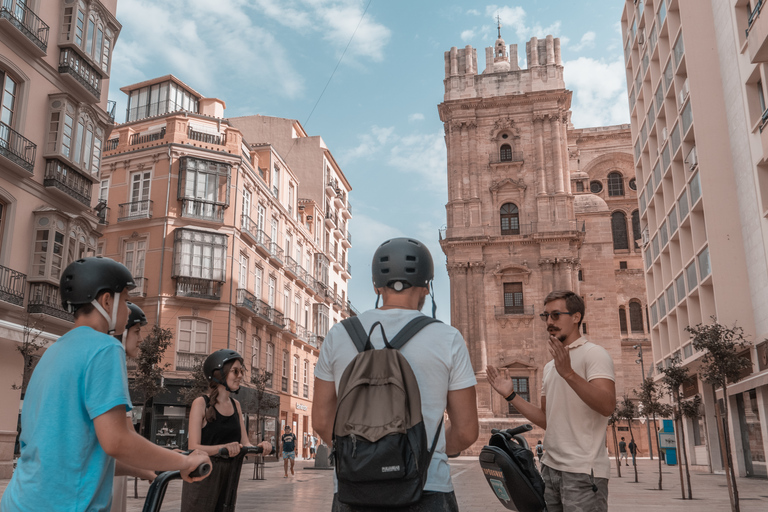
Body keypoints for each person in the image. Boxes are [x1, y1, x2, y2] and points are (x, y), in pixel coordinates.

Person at [1, 257, 210, 512]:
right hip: (67, 504)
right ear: (107, 301)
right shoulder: (105, 347)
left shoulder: (54, 350)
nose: (127, 309)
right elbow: (117, 441)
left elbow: (88, 455)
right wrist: (184, 462)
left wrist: (163, 462)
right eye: (125, 298)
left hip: (22, 500)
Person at [313, 237, 479, 512]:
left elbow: (321, 421)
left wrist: (367, 453)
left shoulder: (339, 334)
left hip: (354, 488)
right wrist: (418, 450)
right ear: (427, 287)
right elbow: (466, 431)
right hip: (428, 487)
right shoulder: (447, 338)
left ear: (377, 285)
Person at [486, 290, 615, 512]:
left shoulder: (594, 354)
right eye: (546, 316)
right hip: (550, 470)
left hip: (583, 473)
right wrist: (510, 396)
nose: (549, 322)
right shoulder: (549, 367)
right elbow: (548, 420)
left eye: (556, 315)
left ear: (576, 317)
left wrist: (569, 374)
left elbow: (607, 406)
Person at [181, 349, 272, 511]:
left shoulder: (236, 405)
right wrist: (223, 449)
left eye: (241, 371)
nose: (240, 375)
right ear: (218, 374)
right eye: (235, 371)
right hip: (204, 474)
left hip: (230, 476)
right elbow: (193, 447)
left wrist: (260, 447)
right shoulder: (201, 403)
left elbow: (244, 444)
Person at [111, 302, 157, 512]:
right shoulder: (111, 364)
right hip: (99, 482)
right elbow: (123, 441)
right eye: (137, 332)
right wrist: (150, 468)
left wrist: (160, 457)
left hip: (111, 475)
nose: (141, 339)